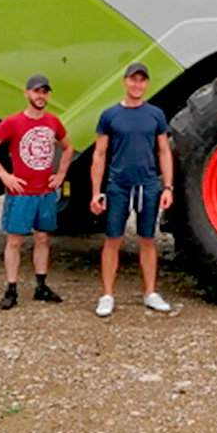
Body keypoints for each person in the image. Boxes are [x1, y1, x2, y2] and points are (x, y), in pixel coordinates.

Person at [0, 73, 73, 309]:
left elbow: (69, 147)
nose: (40, 96)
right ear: (27, 93)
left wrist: (60, 174)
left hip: (45, 192)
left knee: (42, 238)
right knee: (15, 241)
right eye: (36, 91)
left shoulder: (53, 122)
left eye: (44, 92)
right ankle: (11, 289)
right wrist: (4, 175)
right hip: (21, 194)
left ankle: (41, 285)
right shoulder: (13, 122)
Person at [88, 62, 174, 317]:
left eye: (142, 80)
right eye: (133, 79)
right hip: (119, 185)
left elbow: (164, 151)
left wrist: (167, 187)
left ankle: (150, 293)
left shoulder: (156, 115)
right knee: (113, 239)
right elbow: (99, 154)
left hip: (148, 184)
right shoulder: (109, 115)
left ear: (146, 83)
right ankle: (107, 295)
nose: (137, 85)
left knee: (147, 239)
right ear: (125, 81)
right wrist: (96, 192)